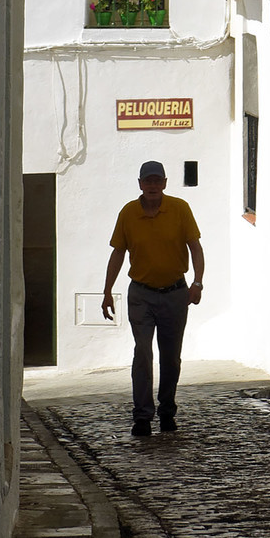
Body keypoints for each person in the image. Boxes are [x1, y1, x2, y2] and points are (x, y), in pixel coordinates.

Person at [101, 160, 204, 435]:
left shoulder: (180, 209)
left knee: (171, 357)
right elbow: (118, 253)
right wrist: (107, 291)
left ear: (165, 183)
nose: (153, 186)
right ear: (140, 184)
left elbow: (195, 247)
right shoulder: (128, 213)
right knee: (143, 353)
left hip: (174, 293)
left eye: (157, 181)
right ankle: (143, 416)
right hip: (142, 294)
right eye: (148, 181)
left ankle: (167, 411)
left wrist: (197, 283)